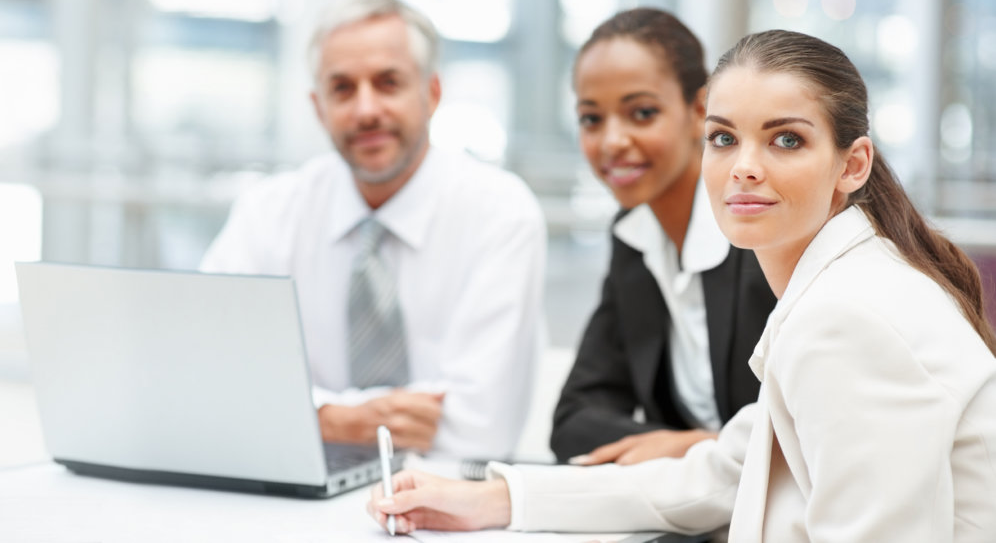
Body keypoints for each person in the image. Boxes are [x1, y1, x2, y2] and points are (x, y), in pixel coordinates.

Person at [368, 29, 996, 541]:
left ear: (851, 164)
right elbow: (717, 472)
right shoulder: (841, 289)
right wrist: (495, 500)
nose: (743, 168)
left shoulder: (848, 318)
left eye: (786, 140)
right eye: (724, 138)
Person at [199, 0, 546, 458]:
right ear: (319, 107)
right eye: (342, 89)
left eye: (388, 83)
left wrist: (299, 414)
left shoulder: (500, 214)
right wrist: (338, 420)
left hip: (452, 513)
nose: (366, 110)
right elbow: (206, 385)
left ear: (432, 93)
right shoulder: (268, 211)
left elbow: (477, 433)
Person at [552, 8, 775, 466]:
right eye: (591, 119)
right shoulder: (635, 236)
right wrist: (685, 449)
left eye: (642, 113)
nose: (612, 140)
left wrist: (700, 448)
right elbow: (575, 421)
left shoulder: (764, 237)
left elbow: (810, 431)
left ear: (699, 110)